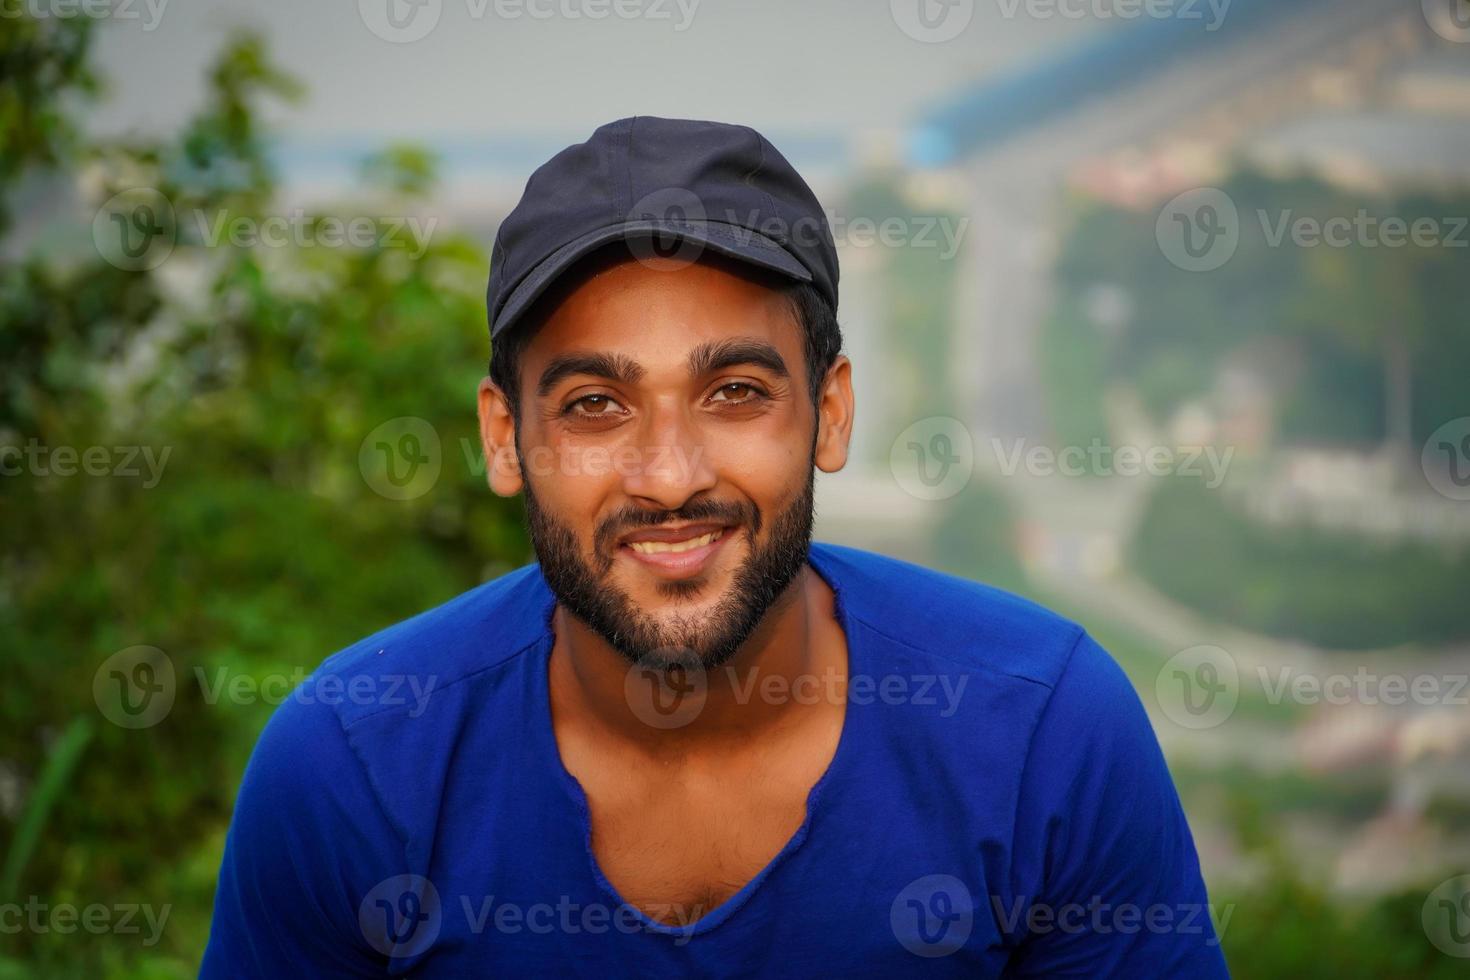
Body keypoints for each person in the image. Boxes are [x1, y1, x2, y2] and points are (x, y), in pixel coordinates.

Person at [202, 116, 1229, 977]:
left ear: (830, 413)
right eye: (596, 404)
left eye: (735, 391)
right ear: (503, 436)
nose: (669, 472)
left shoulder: (1042, 734)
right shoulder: (350, 766)